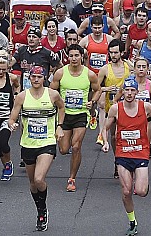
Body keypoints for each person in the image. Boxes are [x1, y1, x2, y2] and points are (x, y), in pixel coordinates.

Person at [102, 75, 151, 236]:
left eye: (132, 90)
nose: (129, 93)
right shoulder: (116, 108)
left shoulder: (145, 107)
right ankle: (132, 222)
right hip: (123, 153)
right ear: (122, 92)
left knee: (141, 191)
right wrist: (105, 142)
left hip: (141, 152)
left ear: (137, 92)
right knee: (126, 191)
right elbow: (105, 127)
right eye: (127, 90)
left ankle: (143, 185)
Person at [8, 66, 67, 232]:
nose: (36, 80)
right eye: (33, 77)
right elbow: (12, 118)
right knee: (33, 183)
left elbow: (62, 108)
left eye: (39, 77)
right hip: (28, 144)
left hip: (47, 142)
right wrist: (12, 124)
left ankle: (42, 211)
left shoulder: (52, 95)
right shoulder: (22, 97)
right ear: (29, 78)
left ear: (44, 78)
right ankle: (40, 208)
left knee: (39, 179)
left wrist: (59, 126)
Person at [50, 44, 100, 192]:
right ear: (68, 57)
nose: (74, 58)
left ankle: (72, 179)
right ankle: (65, 147)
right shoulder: (60, 73)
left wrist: (93, 101)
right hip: (64, 115)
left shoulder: (89, 74)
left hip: (81, 114)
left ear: (82, 57)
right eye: (71, 55)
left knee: (76, 146)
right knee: (64, 150)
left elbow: (98, 90)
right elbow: (51, 91)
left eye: (76, 55)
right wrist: (56, 104)